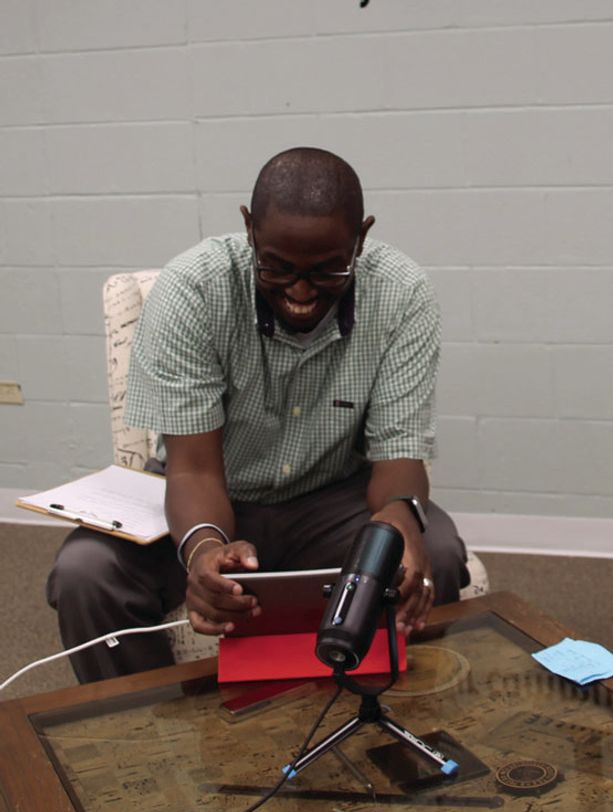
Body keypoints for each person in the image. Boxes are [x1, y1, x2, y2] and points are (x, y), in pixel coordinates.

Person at [47, 147, 469, 683]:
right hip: (208, 489)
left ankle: (387, 719)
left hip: (330, 496)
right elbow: (193, 471)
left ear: (361, 237)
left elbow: (398, 458)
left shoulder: (402, 293)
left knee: (435, 551)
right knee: (87, 573)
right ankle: (142, 734)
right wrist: (203, 547)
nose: (299, 293)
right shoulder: (193, 290)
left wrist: (401, 519)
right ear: (248, 229)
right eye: (277, 268)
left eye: (327, 271)